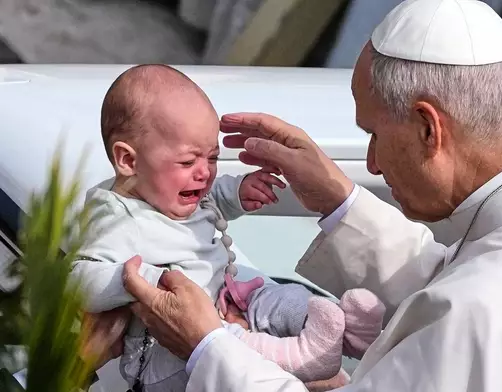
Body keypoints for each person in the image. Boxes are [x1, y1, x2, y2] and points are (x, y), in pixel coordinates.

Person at [108, 0, 502, 390]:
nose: (370, 164)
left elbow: (473, 300)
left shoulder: (482, 315)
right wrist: (338, 200)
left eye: (374, 135)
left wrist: (208, 347)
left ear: (428, 128)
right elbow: (461, 276)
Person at [69, 64, 385, 391]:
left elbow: (211, 200)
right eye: (188, 161)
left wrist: (236, 192)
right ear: (128, 161)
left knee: (275, 295)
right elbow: (77, 277)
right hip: (166, 353)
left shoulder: (167, 192)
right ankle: (305, 355)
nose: (204, 172)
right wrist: (140, 280)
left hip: (226, 299)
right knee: (228, 343)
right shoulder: (116, 216)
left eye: (213, 158)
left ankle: (345, 330)